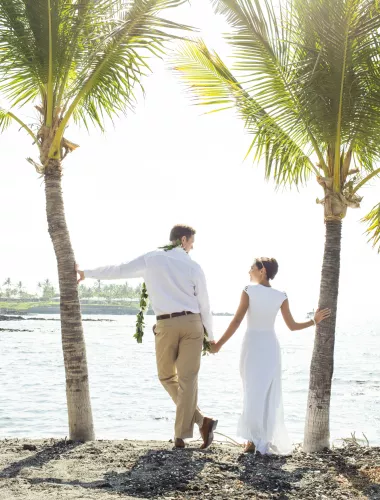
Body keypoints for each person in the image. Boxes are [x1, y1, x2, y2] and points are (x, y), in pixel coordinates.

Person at [76, 224, 218, 449]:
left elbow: (119, 270)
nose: (192, 248)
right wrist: (211, 337)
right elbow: (205, 304)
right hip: (193, 323)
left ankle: (183, 435)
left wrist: (87, 273)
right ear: (183, 240)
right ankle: (200, 423)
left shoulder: (152, 258)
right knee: (187, 380)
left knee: (166, 377)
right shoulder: (193, 266)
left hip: (166, 323)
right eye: (191, 243)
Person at [211, 257, 330, 455]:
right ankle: (260, 439)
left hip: (252, 344)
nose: (249, 271)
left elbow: (237, 320)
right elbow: (292, 326)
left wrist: (219, 344)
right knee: (266, 393)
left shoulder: (248, 290)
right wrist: (314, 322)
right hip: (270, 347)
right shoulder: (280, 295)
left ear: (262, 270)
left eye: (252, 268)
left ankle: (252, 440)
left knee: (251, 390)